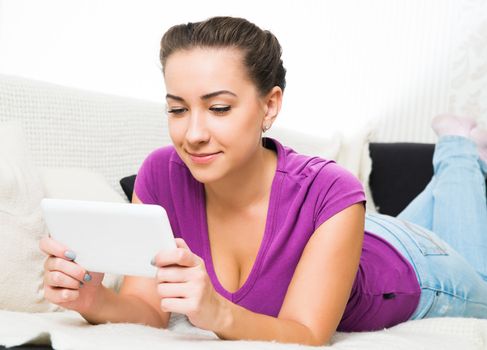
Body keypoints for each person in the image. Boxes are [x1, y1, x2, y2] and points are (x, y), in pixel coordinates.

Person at [39, 16, 487, 346]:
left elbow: (307, 335)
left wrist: (215, 312)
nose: (192, 134)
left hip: (413, 267)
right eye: (177, 109)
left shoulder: (333, 187)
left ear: (269, 106)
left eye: (218, 108)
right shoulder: (161, 174)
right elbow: (149, 309)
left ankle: (458, 148)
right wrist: (93, 299)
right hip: (341, 233)